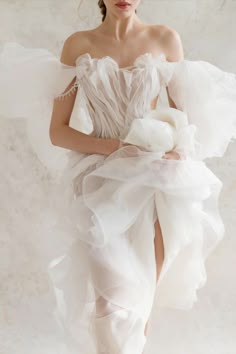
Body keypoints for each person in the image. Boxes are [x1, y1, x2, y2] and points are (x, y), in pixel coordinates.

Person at [1, 1, 236, 353]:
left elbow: (183, 122)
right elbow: (59, 132)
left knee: (137, 307)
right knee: (110, 305)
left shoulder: (165, 40)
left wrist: (176, 151)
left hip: (155, 184)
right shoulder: (79, 45)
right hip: (98, 182)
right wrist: (115, 147)